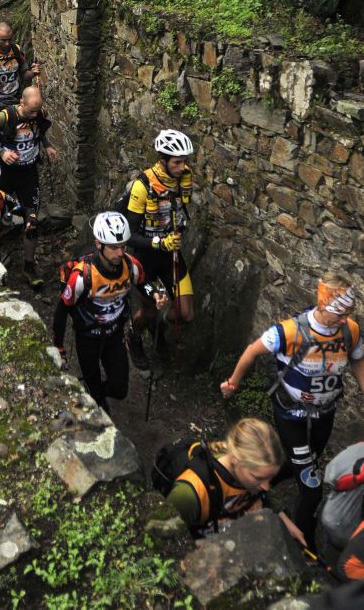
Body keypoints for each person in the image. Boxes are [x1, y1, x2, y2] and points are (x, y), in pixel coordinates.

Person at [220, 274, 364, 548]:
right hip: (291, 417)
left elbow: (357, 360)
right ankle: (302, 546)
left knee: (304, 462)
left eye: (349, 313)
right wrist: (233, 384)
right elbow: (252, 351)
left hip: (325, 413)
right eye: (339, 313)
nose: (344, 319)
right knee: (311, 488)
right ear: (322, 306)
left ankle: (255, 484)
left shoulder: (350, 331)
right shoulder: (288, 332)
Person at [52, 212, 144, 410]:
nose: (120, 253)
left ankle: (99, 396)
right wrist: (58, 346)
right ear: (99, 244)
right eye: (113, 247)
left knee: (120, 389)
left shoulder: (130, 265)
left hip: (114, 335)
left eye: (123, 246)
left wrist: (155, 295)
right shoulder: (81, 275)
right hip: (87, 338)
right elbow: (62, 310)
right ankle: (98, 401)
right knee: (92, 384)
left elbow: (143, 283)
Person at [162, 418, 304, 543]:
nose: (266, 486)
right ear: (235, 459)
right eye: (258, 478)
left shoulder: (248, 473)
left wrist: (281, 515)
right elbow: (164, 538)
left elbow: (265, 493)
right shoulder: (190, 494)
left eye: (270, 478)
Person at [123, 129, 195, 372]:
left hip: (171, 254)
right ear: (162, 161)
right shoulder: (142, 186)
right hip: (145, 257)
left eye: (185, 161)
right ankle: (133, 335)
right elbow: (128, 234)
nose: (182, 166)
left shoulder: (182, 178)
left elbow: (180, 212)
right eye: (177, 162)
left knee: (186, 314)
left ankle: (158, 327)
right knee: (149, 309)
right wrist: (158, 243)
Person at [0, 86, 57, 288]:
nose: (34, 116)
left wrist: (46, 145)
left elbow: (39, 130)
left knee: (32, 221)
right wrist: (1, 153)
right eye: (30, 112)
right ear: (21, 103)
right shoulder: (5, 117)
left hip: (28, 173)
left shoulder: (37, 114)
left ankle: (29, 266)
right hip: (6, 174)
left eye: (37, 112)